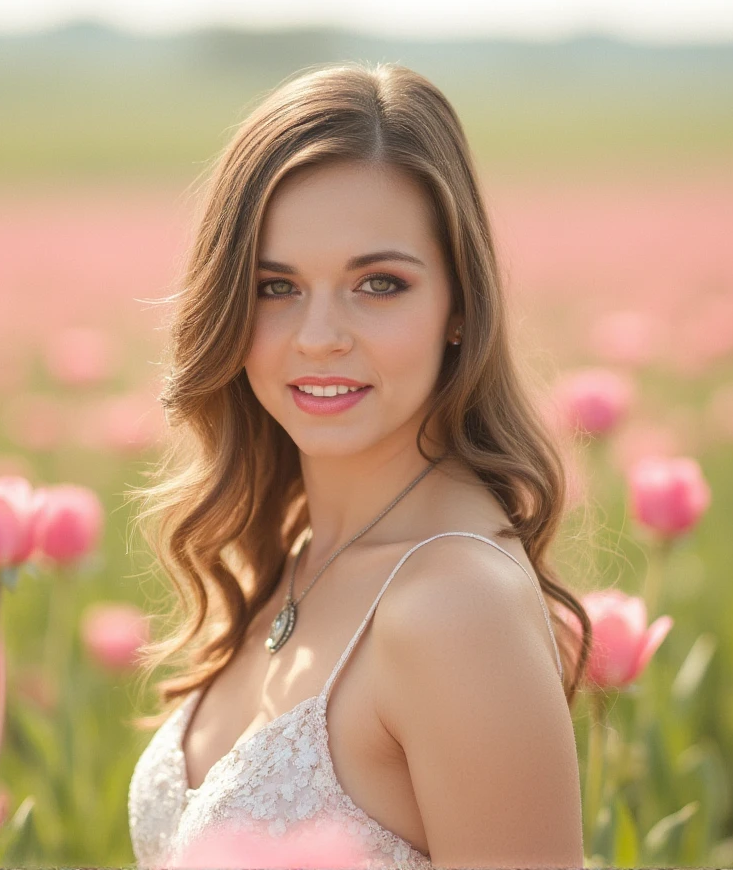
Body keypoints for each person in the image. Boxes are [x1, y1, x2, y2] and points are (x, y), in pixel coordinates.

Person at [126, 61, 592, 869]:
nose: (319, 336)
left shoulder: (456, 608)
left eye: (379, 284)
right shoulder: (295, 555)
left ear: (459, 307)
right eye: (276, 287)